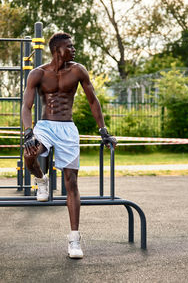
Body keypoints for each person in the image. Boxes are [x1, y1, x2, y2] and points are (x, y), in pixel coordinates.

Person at [22, 32, 117, 259]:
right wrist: (28, 132)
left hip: (67, 129)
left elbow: (93, 100)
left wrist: (103, 130)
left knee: (71, 181)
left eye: (73, 47)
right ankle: (41, 180)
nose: (74, 50)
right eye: (70, 47)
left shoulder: (77, 70)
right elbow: (26, 107)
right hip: (45, 126)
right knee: (30, 155)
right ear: (58, 50)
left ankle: (74, 239)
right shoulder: (38, 74)